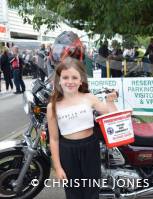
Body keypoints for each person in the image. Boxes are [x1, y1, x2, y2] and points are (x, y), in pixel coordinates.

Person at [47, 57, 118, 199]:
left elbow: (111, 114)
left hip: (90, 147)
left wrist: (110, 101)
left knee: (92, 189)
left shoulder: (89, 98)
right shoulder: (53, 106)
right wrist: (58, 167)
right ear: (59, 80)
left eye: (74, 77)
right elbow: (54, 139)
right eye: (65, 77)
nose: (70, 81)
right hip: (67, 151)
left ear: (81, 81)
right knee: (73, 191)